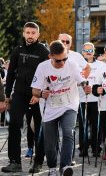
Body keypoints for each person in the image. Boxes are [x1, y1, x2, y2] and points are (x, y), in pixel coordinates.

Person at [31, 40, 91, 176]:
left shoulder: (72, 64)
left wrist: (86, 86)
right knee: (50, 141)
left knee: (68, 132)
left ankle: (65, 166)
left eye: (65, 58)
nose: (62, 63)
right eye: (58, 61)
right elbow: (34, 90)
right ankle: (52, 168)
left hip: (69, 104)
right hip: (50, 107)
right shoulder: (42, 67)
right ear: (50, 57)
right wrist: (41, 93)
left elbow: (82, 80)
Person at [0, 22, 49, 173]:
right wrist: (7, 95)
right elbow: (10, 76)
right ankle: (15, 161)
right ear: (23, 33)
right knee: (14, 123)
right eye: (27, 32)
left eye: (33, 33)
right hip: (19, 94)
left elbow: (49, 76)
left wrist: (39, 95)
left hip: (37, 94)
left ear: (38, 35)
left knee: (39, 127)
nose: (30, 35)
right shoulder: (17, 50)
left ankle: (38, 162)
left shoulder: (43, 51)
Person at [78, 42, 106, 157]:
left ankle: (96, 148)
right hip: (81, 99)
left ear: (93, 51)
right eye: (86, 51)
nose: (88, 53)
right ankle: (83, 148)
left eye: (91, 51)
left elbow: (104, 81)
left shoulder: (101, 65)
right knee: (83, 125)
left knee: (96, 126)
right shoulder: (78, 65)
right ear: (82, 52)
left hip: (96, 100)